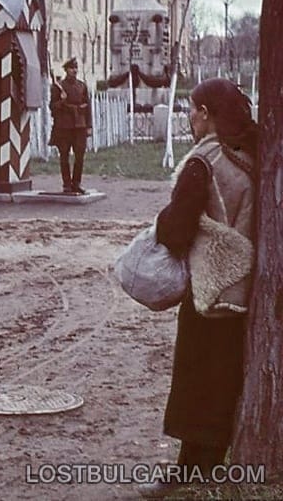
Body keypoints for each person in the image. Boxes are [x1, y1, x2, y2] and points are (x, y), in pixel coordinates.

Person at [141, 78, 257, 498]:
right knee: (226, 378)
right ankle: (209, 464)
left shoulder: (202, 161)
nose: (188, 118)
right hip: (246, 288)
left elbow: (175, 230)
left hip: (208, 288)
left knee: (196, 378)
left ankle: (190, 472)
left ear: (206, 114)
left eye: (192, 110)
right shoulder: (253, 156)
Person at [48, 57, 92, 194]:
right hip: (64, 126)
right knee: (64, 155)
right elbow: (52, 107)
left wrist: (89, 126)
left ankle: (76, 183)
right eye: (72, 68)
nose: (75, 70)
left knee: (80, 155)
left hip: (80, 125)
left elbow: (87, 108)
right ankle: (66, 183)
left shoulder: (82, 86)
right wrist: (62, 101)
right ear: (66, 70)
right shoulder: (58, 86)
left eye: (76, 68)